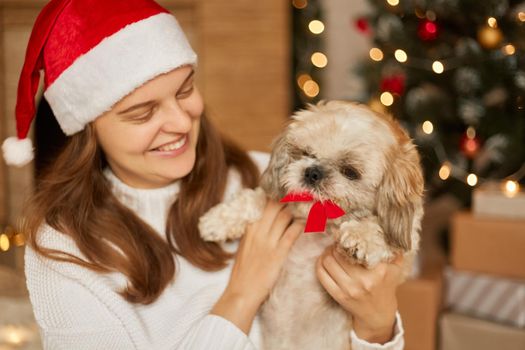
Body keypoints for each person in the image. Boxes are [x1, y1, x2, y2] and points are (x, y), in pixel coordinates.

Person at [2, 0, 406, 348]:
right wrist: (242, 295)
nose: (180, 122)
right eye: (143, 112)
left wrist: (377, 328)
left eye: (184, 90)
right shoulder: (62, 251)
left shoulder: (270, 174)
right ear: (88, 134)